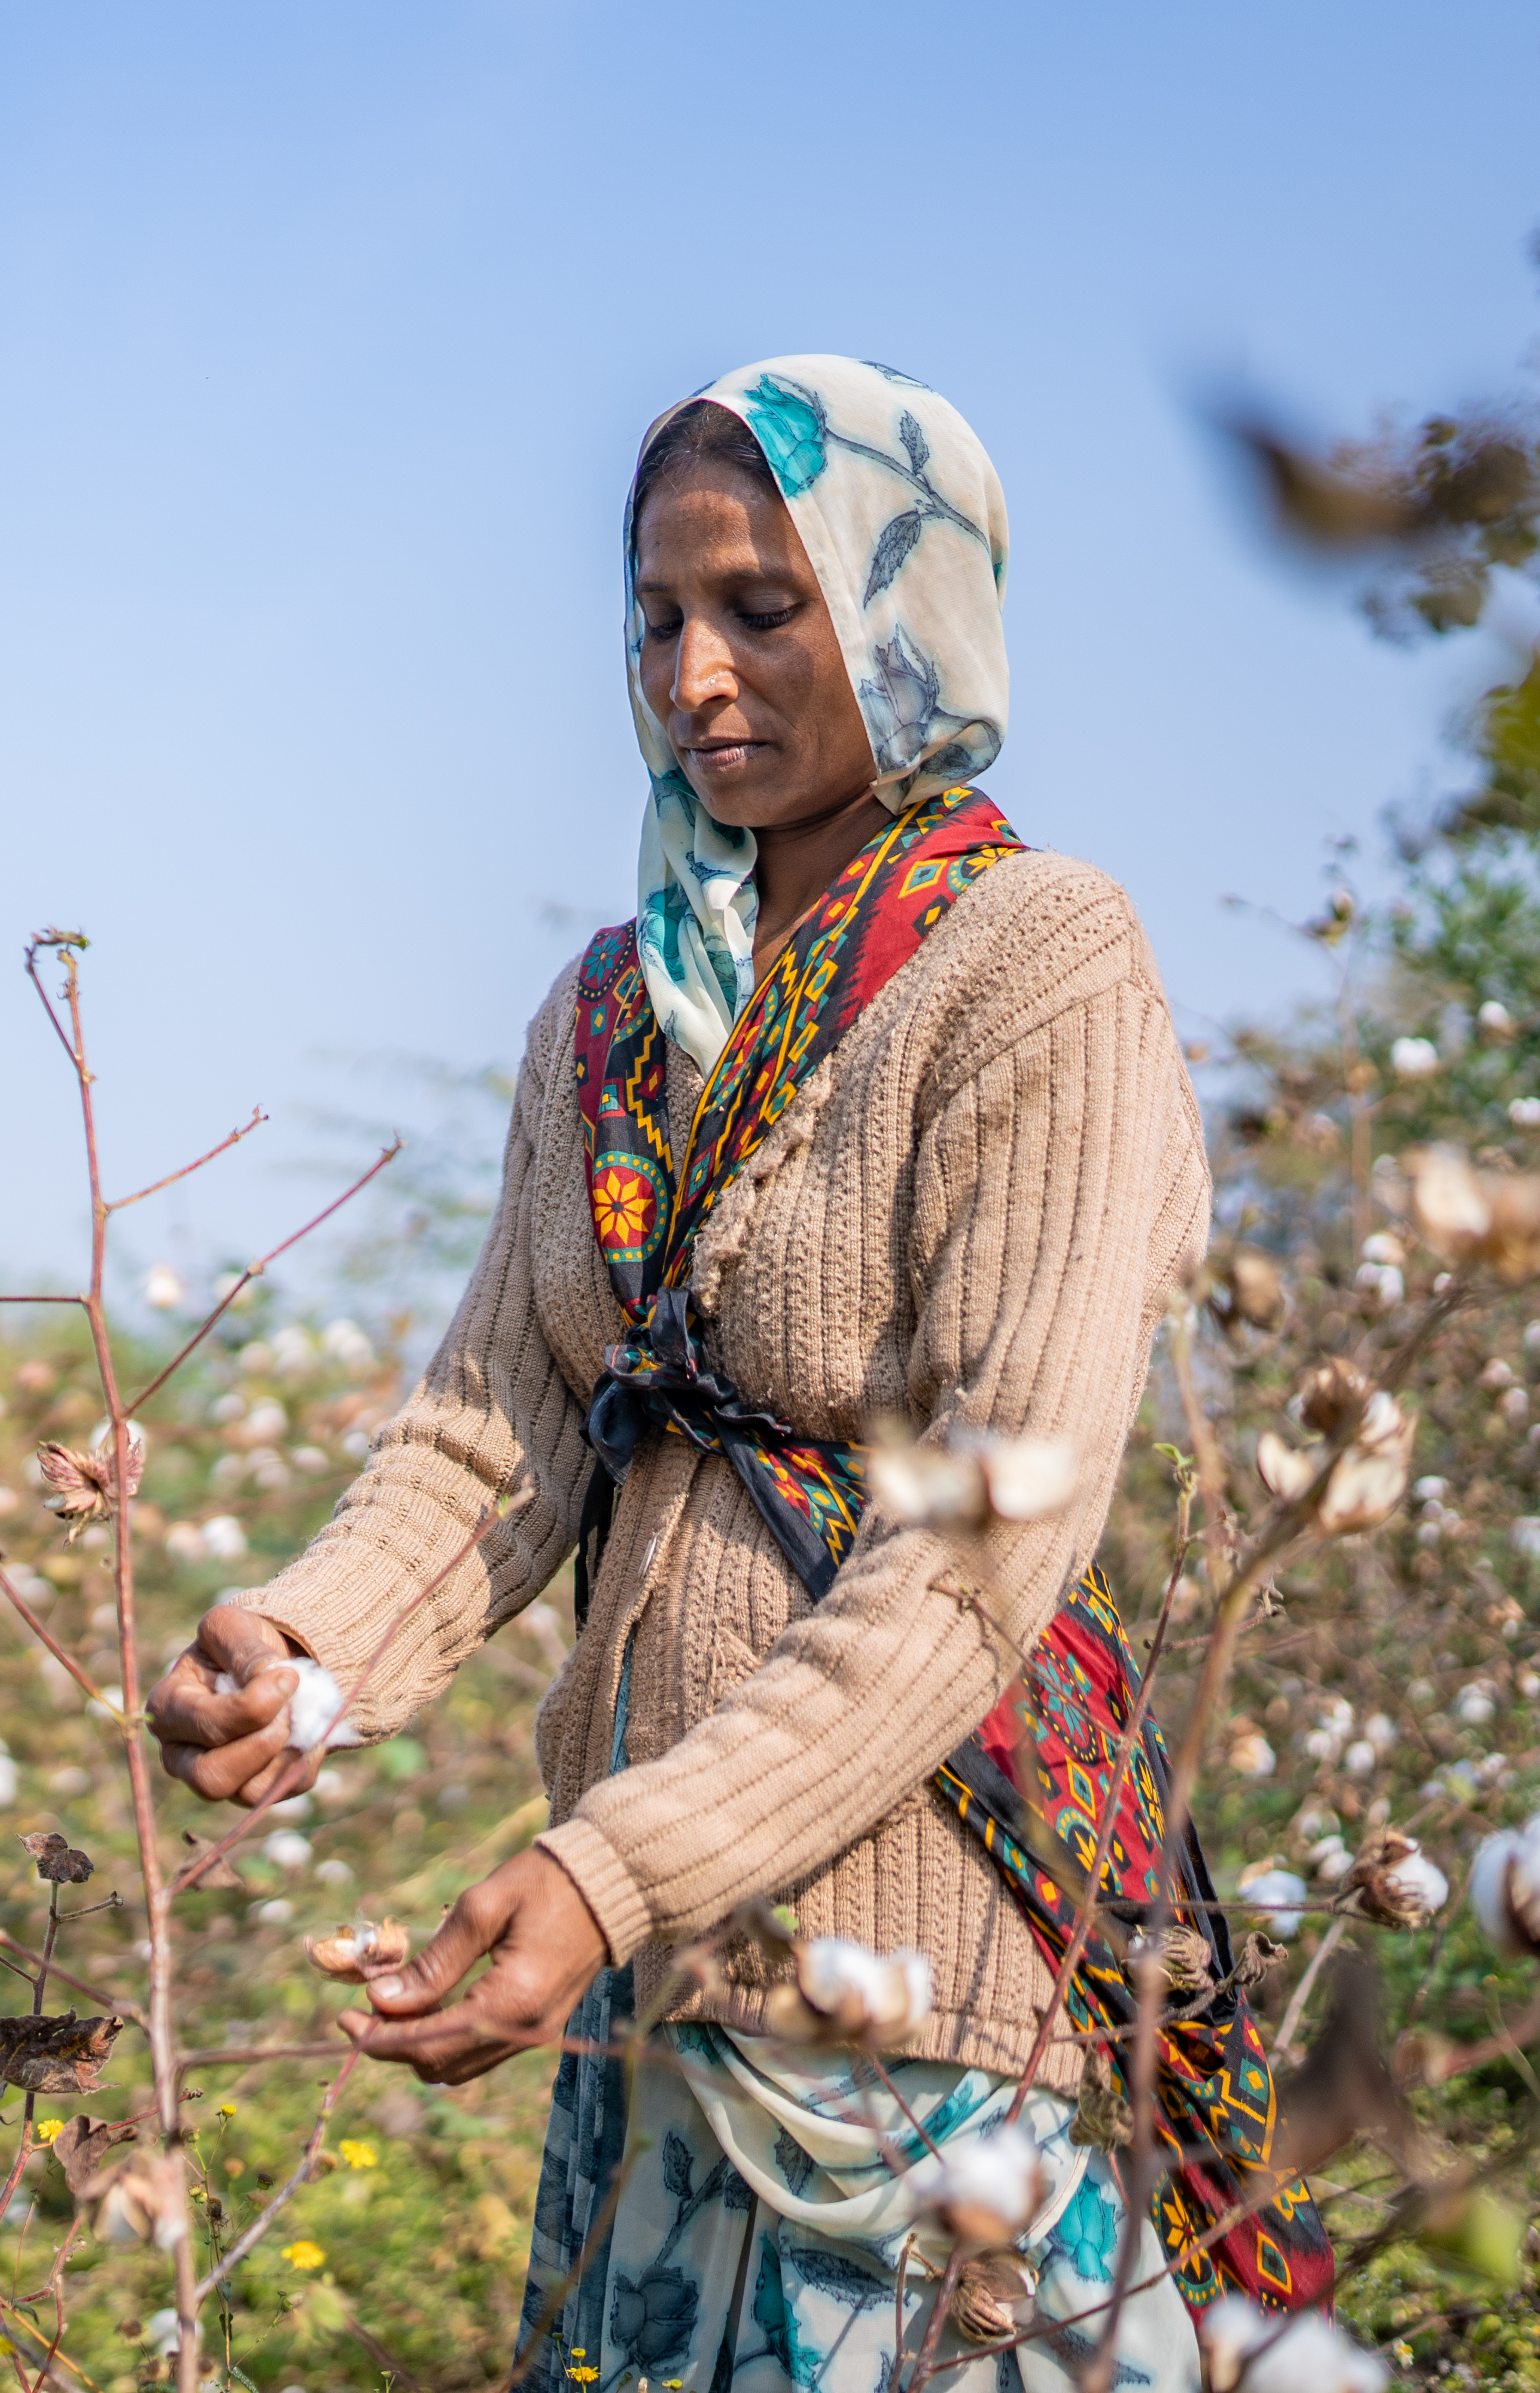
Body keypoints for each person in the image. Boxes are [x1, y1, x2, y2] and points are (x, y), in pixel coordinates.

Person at [148, 358, 1323, 2392]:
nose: (695, 674)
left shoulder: (1034, 960)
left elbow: (982, 1549)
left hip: (917, 1999)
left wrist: (613, 1870)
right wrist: (307, 1652)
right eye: (658, 619)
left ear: (910, 612)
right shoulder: (612, 1012)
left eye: (765, 608)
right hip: (650, 1982)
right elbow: (500, 1429)